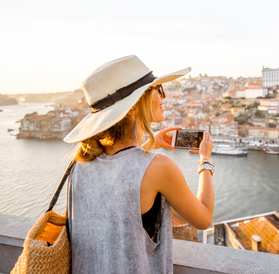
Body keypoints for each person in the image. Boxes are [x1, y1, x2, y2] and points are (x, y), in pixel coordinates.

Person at [63, 55, 215, 274]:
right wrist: (205, 161)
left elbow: (122, 177)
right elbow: (203, 219)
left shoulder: (80, 164)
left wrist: (149, 145)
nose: (165, 95)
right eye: (158, 89)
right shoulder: (159, 167)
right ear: (134, 106)